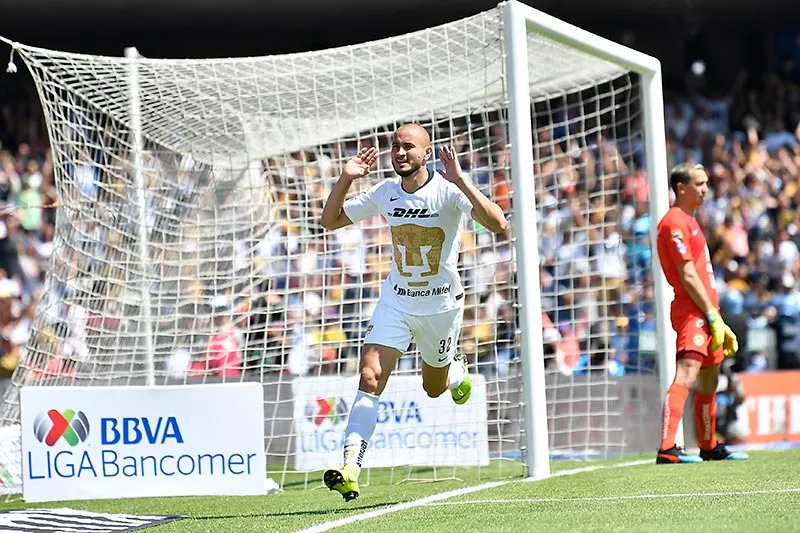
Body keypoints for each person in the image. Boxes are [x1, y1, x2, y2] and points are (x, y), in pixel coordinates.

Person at [319, 124, 509, 500]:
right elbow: (330, 221)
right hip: (397, 302)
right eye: (395, 146)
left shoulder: (447, 191)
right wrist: (345, 177)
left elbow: (499, 224)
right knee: (370, 374)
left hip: (440, 307)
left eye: (408, 146)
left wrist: (461, 178)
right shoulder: (385, 192)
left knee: (433, 388)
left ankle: (453, 367)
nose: (400, 152)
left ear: (426, 152)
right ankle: (350, 467)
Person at [655, 163, 748, 464]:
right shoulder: (674, 222)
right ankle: (667, 447)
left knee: (710, 378)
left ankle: (708, 446)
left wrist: (715, 316)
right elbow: (688, 275)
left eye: (706, 183)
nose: (705, 189)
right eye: (699, 183)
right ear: (681, 188)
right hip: (692, 310)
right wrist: (710, 314)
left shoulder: (691, 221)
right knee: (688, 373)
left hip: (708, 311)